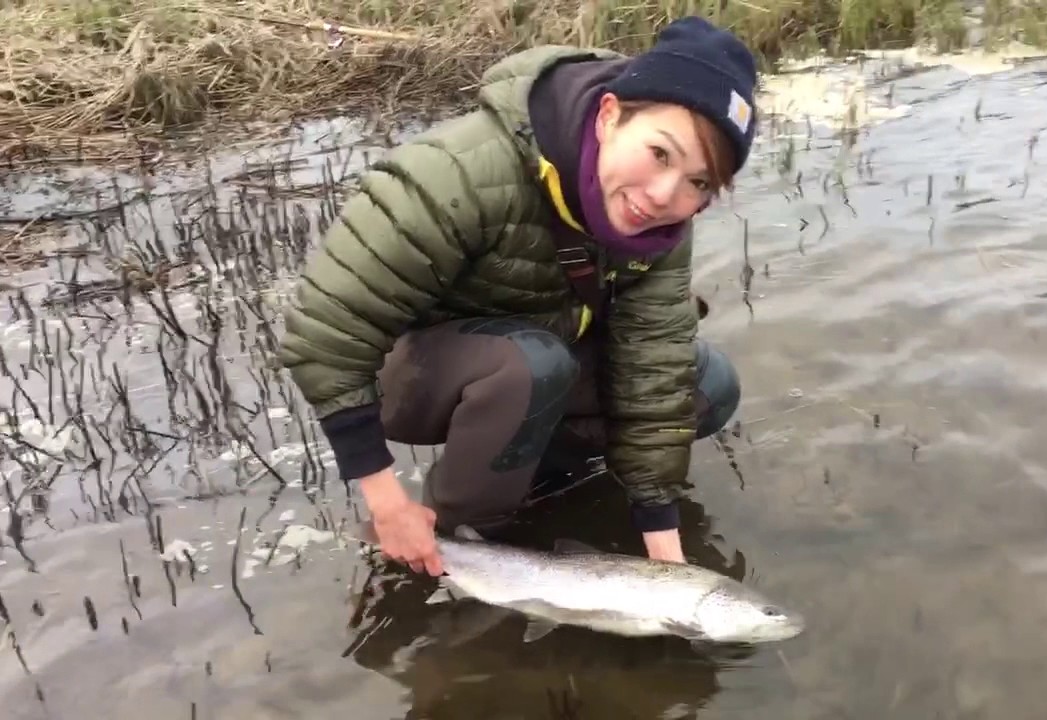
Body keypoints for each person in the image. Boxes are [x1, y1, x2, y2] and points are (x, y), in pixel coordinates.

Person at [278, 16, 759, 576]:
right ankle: (456, 534)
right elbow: (326, 337)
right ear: (609, 116)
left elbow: (652, 366)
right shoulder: (456, 173)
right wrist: (387, 503)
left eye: (699, 183)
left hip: (534, 362)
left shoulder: (660, 225)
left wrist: (661, 536)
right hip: (410, 378)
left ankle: (532, 474)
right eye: (660, 153)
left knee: (708, 384)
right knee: (532, 364)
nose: (663, 195)